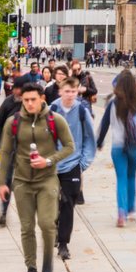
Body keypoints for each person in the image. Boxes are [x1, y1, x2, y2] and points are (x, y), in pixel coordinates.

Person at [0, 83, 73, 272]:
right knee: (27, 226)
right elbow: (5, 152)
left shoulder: (55, 120)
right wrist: (2, 183)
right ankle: (31, 268)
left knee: (47, 224)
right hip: (22, 181)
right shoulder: (13, 122)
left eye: (33, 99)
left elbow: (69, 146)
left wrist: (48, 160)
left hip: (47, 179)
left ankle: (47, 261)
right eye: (26, 100)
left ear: (42, 99)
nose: (29, 104)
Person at [51, 79, 97, 261]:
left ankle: (63, 243)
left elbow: (89, 138)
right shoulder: (52, 110)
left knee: (68, 204)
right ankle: (54, 227)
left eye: (73, 91)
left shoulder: (81, 111)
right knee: (53, 202)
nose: (70, 95)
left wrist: (83, 163)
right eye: (67, 91)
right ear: (60, 92)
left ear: (77, 92)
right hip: (53, 164)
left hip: (73, 164)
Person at [98, 70, 136, 227]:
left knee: (121, 178)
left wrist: (99, 142)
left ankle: (121, 212)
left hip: (118, 145)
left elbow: (104, 124)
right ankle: (131, 209)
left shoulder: (112, 102)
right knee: (131, 176)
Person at [0, 79, 26, 225]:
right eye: (15, 89)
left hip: (26, 151)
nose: (16, 92)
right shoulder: (8, 103)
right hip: (9, 149)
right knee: (6, 180)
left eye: (19, 89)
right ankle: (4, 212)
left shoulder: (29, 103)